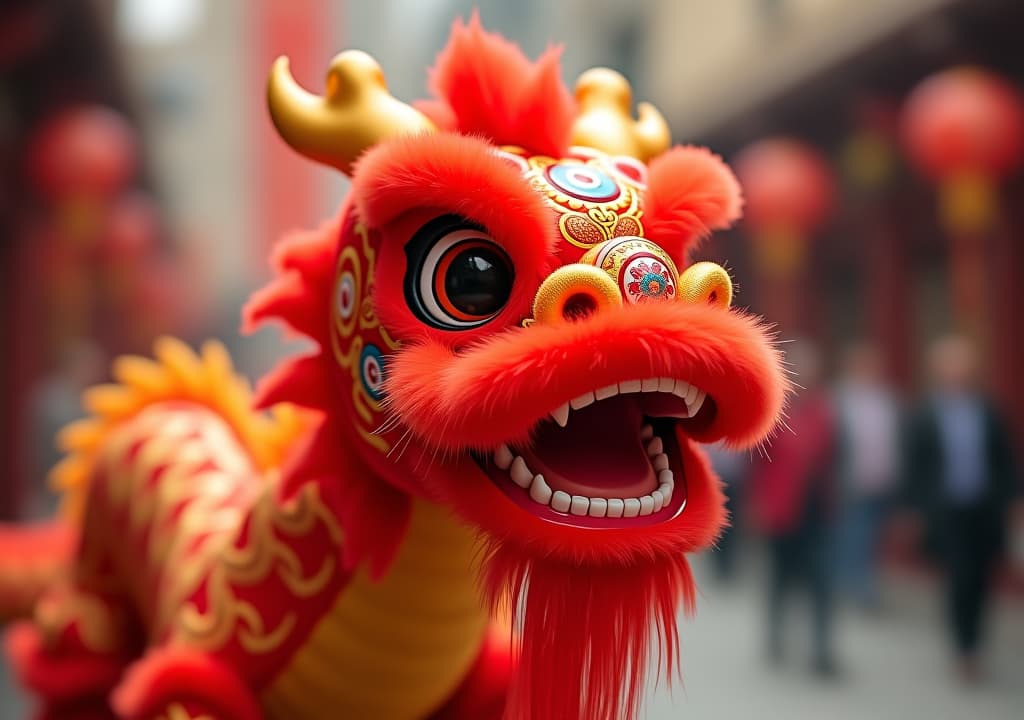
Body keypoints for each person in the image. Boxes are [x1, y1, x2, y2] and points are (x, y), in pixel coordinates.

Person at [903, 334, 1017, 683]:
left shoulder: (987, 409)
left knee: (982, 579)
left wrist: (1012, 501)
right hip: (946, 510)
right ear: (938, 371)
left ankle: (976, 644)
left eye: (962, 365)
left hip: (983, 508)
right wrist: (913, 511)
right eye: (949, 365)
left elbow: (1005, 460)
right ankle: (962, 648)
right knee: (959, 577)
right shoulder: (924, 413)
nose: (957, 372)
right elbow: (914, 466)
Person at [749, 340, 840, 677]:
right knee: (779, 578)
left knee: (822, 580)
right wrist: (756, 503)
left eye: (811, 369)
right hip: (780, 509)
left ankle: (821, 649)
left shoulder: (825, 410)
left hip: (817, 510)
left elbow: (837, 457)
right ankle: (775, 634)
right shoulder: (774, 410)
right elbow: (755, 462)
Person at [834, 341, 901, 611]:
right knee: (856, 535)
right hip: (852, 482)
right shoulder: (839, 401)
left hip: (883, 481)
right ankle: (859, 587)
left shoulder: (888, 399)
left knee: (874, 537)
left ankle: (861, 581)